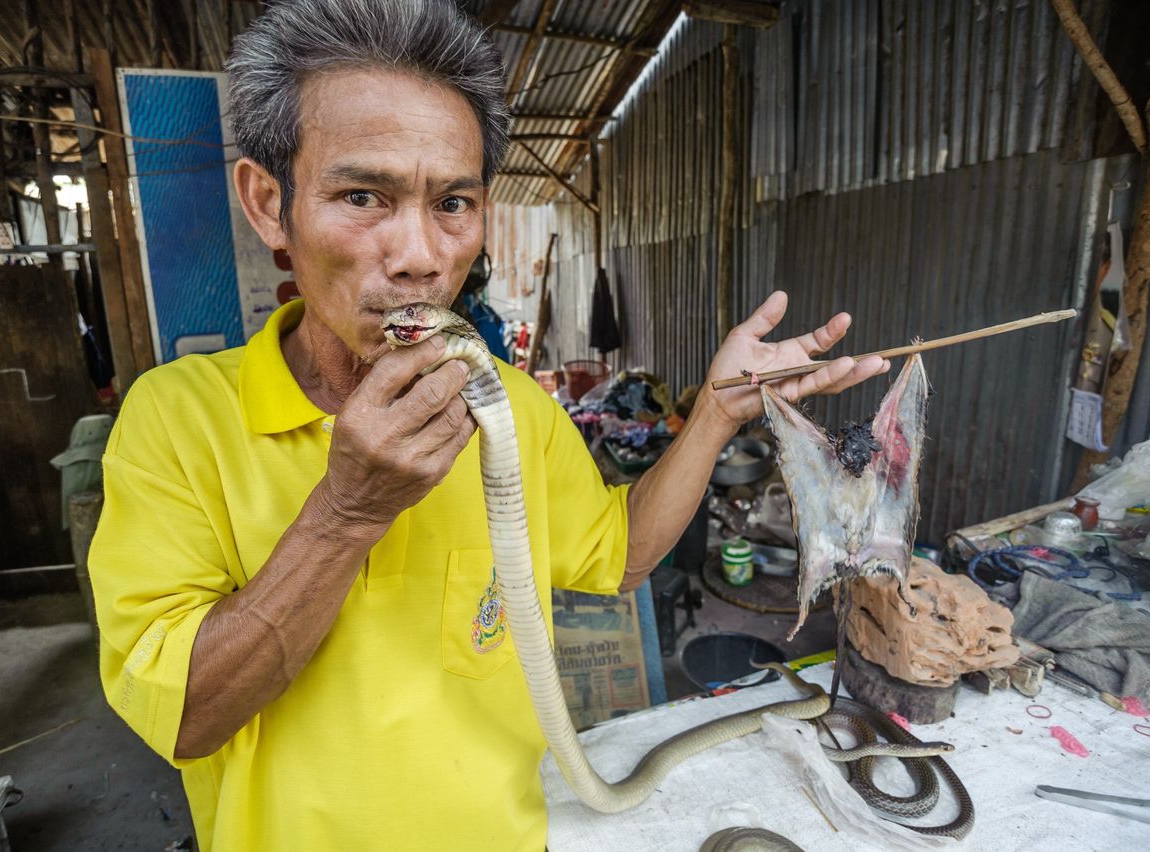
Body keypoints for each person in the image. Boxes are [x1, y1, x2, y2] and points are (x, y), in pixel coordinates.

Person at [87, 2, 888, 850]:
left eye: (453, 203)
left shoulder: (515, 409)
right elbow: (185, 720)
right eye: (363, 195)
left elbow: (621, 559)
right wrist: (347, 514)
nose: (420, 256)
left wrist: (713, 417)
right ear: (266, 204)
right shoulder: (175, 424)